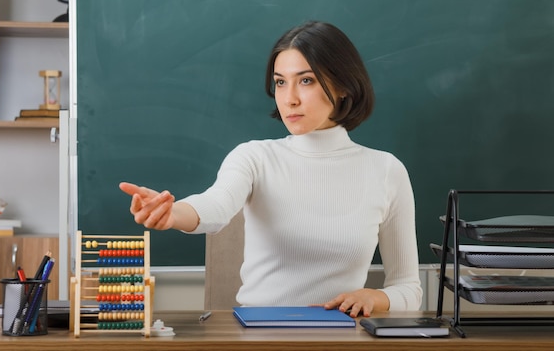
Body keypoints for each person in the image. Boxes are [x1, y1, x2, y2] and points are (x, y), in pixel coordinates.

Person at [120, 20, 422, 317]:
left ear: (342, 85)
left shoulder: (386, 170)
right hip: (259, 336)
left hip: (340, 337)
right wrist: (173, 214)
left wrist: (375, 297)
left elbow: (409, 289)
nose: (289, 99)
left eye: (306, 80)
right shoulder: (255, 157)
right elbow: (216, 205)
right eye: (280, 82)